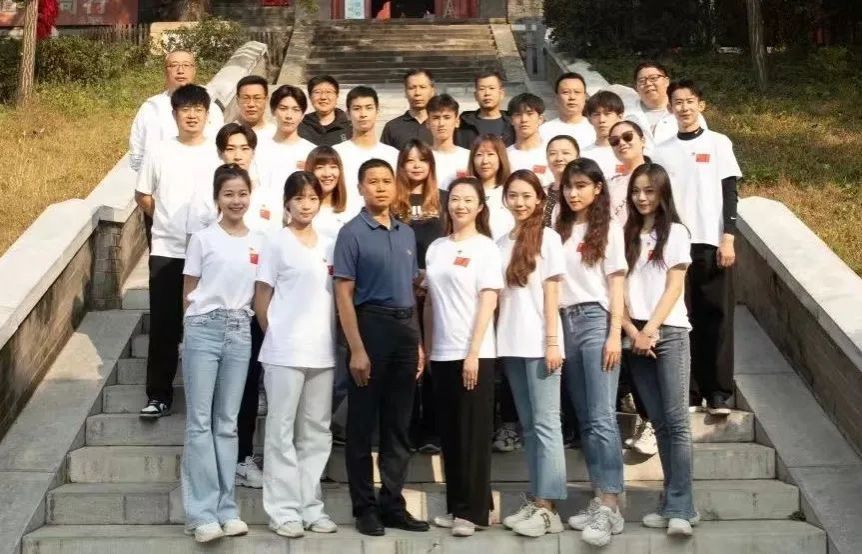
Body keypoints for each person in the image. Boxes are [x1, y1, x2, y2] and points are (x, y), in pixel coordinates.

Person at [333, 159, 429, 536]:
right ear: (360, 188)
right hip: (370, 326)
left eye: (387, 181)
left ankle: (392, 503)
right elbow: (343, 294)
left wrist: (418, 342)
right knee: (361, 425)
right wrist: (356, 348)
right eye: (372, 181)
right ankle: (364, 507)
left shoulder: (406, 233)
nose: (381, 187)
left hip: (405, 329)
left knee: (398, 424)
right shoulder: (351, 233)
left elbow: (411, 290)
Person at [180, 164, 261, 543]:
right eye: (228, 194)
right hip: (204, 328)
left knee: (227, 424)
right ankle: (202, 515)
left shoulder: (259, 242)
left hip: (240, 329)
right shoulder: (202, 239)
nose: (236, 200)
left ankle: (227, 509)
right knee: (199, 422)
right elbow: (189, 292)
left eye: (242, 193)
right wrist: (187, 334)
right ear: (217, 198)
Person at [255, 171, 338, 538]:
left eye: (313, 198)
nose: (306, 205)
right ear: (287, 203)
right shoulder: (276, 243)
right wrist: (276, 335)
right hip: (284, 352)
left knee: (317, 432)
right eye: (299, 198)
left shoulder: (330, 244)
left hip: (323, 352)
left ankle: (310, 507)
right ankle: (283, 510)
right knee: (281, 431)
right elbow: (262, 298)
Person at [653, 79, 741, 416]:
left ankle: (718, 392)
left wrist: (728, 236)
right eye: (678, 102)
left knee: (717, 318)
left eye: (690, 101)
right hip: (676, 246)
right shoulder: (661, 151)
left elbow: (730, 192)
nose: (684, 107)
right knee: (681, 319)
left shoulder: (719, 143)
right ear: (670, 107)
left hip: (712, 243)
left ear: (701, 104)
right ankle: (688, 392)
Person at [135, 84, 221, 419]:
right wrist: (165, 220)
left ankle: (212, 392)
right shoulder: (159, 151)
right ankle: (159, 394)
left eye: (198, 109)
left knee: (209, 321)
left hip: (211, 250)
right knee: (164, 323)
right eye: (185, 109)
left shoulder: (218, 151)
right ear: (174, 115)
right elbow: (143, 195)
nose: (192, 115)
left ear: (207, 114)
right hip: (168, 249)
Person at [622, 162, 698, 536]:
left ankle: (682, 507)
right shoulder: (625, 234)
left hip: (668, 333)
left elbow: (674, 286)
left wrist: (650, 330)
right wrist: (632, 331)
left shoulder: (677, 233)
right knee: (661, 423)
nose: (642, 197)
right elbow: (616, 288)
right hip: (635, 336)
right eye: (636, 191)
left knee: (677, 422)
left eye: (649, 190)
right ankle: (672, 503)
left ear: (662, 193)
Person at [424, 177, 503, 538]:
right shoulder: (436, 247)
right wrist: (428, 347)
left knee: (473, 433)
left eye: (468, 200)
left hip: (475, 353)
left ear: (480, 207)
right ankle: (459, 506)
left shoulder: (485, 248)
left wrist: (473, 352)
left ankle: (472, 512)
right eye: (455, 199)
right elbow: (429, 301)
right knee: (451, 432)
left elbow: (489, 300)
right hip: (442, 352)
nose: (460, 206)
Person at [555, 158, 627, 547]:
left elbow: (616, 285)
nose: (573, 193)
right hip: (564, 321)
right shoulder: (559, 226)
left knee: (601, 417)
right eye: (569, 186)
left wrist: (615, 334)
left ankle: (611, 502)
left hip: (596, 322)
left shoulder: (609, 229)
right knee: (585, 418)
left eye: (581, 185)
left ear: (598, 188)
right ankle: (600, 497)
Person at [496, 170, 567, 538]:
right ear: (504, 199)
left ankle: (549, 508)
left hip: (541, 345)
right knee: (528, 427)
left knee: (546, 425)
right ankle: (539, 500)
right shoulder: (498, 243)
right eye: (513, 195)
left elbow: (552, 292)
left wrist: (552, 342)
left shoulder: (548, 238)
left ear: (539, 199)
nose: (520, 202)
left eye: (527, 195)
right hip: (510, 345)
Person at [392, 139, 447, 456]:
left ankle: (434, 431)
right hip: (401, 293)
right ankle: (407, 431)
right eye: (409, 160)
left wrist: (430, 277)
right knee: (408, 365)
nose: (415, 165)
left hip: (437, 293)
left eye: (422, 160)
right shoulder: (392, 202)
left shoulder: (443, 200)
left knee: (435, 363)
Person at [128, 50, 223, 172]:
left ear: (194, 70)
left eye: (186, 65)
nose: (180, 70)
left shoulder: (212, 108)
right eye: (174, 65)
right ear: (165, 71)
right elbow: (137, 156)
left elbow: (220, 151)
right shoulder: (150, 108)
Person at [255, 85, 317, 228]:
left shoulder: (311, 152)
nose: (289, 116)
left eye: (295, 110)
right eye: (283, 108)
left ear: (302, 115)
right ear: (273, 111)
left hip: (298, 224)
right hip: (261, 223)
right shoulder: (258, 148)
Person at [334, 86, 400, 212]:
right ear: (348, 114)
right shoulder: (336, 154)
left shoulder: (393, 155)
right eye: (357, 108)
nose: (363, 114)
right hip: (343, 220)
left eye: (369, 108)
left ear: (377, 111)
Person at [626, 62, 707, 150]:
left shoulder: (688, 112)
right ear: (636, 87)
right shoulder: (626, 114)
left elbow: (702, 146)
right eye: (642, 80)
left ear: (666, 81)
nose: (648, 83)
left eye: (653, 78)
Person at [468, 134, 515, 241]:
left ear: (500, 158)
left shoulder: (510, 191)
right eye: (479, 155)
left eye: (490, 154)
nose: (485, 161)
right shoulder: (467, 192)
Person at [457, 70, 515, 148]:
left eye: (491, 88)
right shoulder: (463, 125)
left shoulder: (513, 124)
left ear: (501, 94)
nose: (487, 93)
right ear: (476, 95)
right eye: (482, 89)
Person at [381, 69, 435, 150]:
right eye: (412, 88)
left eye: (423, 87)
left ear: (432, 91)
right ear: (405, 92)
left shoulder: (441, 125)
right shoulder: (392, 127)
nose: (417, 93)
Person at [306, 146, 351, 243]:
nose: (327, 174)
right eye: (320, 167)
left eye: (333, 167)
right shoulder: (302, 209)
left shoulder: (351, 210)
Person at [608, 120, 649, 225]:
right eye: (614, 141)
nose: (621, 143)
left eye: (627, 136)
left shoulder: (657, 176)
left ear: (643, 140)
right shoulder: (610, 183)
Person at [506, 93, 552, 186]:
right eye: (518, 114)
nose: (524, 119)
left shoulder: (551, 153)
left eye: (530, 114)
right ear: (511, 120)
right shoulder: (504, 155)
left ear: (540, 119)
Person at [540, 72, 596, 148]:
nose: (572, 97)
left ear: (585, 97)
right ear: (556, 98)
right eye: (566, 92)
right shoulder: (543, 131)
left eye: (577, 92)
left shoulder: (597, 129)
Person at [427, 94, 470, 191]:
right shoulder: (421, 158)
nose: (441, 123)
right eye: (436, 118)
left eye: (447, 117)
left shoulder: (469, 157)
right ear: (428, 123)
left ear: (457, 122)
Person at [582, 91, 626, 180]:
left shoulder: (628, 151)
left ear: (620, 117)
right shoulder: (582, 155)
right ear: (589, 119)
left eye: (607, 114)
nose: (601, 120)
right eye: (596, 114)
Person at [299, 75, 353, 147]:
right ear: (310, 97)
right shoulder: (301, 127)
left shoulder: (351, 128)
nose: (323, 97)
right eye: (317, 92)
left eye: (328, 92)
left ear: (337, 96)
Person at [544, 135, 580, 227]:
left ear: (578, 157)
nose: (559, 158)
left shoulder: (586, 191)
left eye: (566, 153)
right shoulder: (540, 193)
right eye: (552, 153)